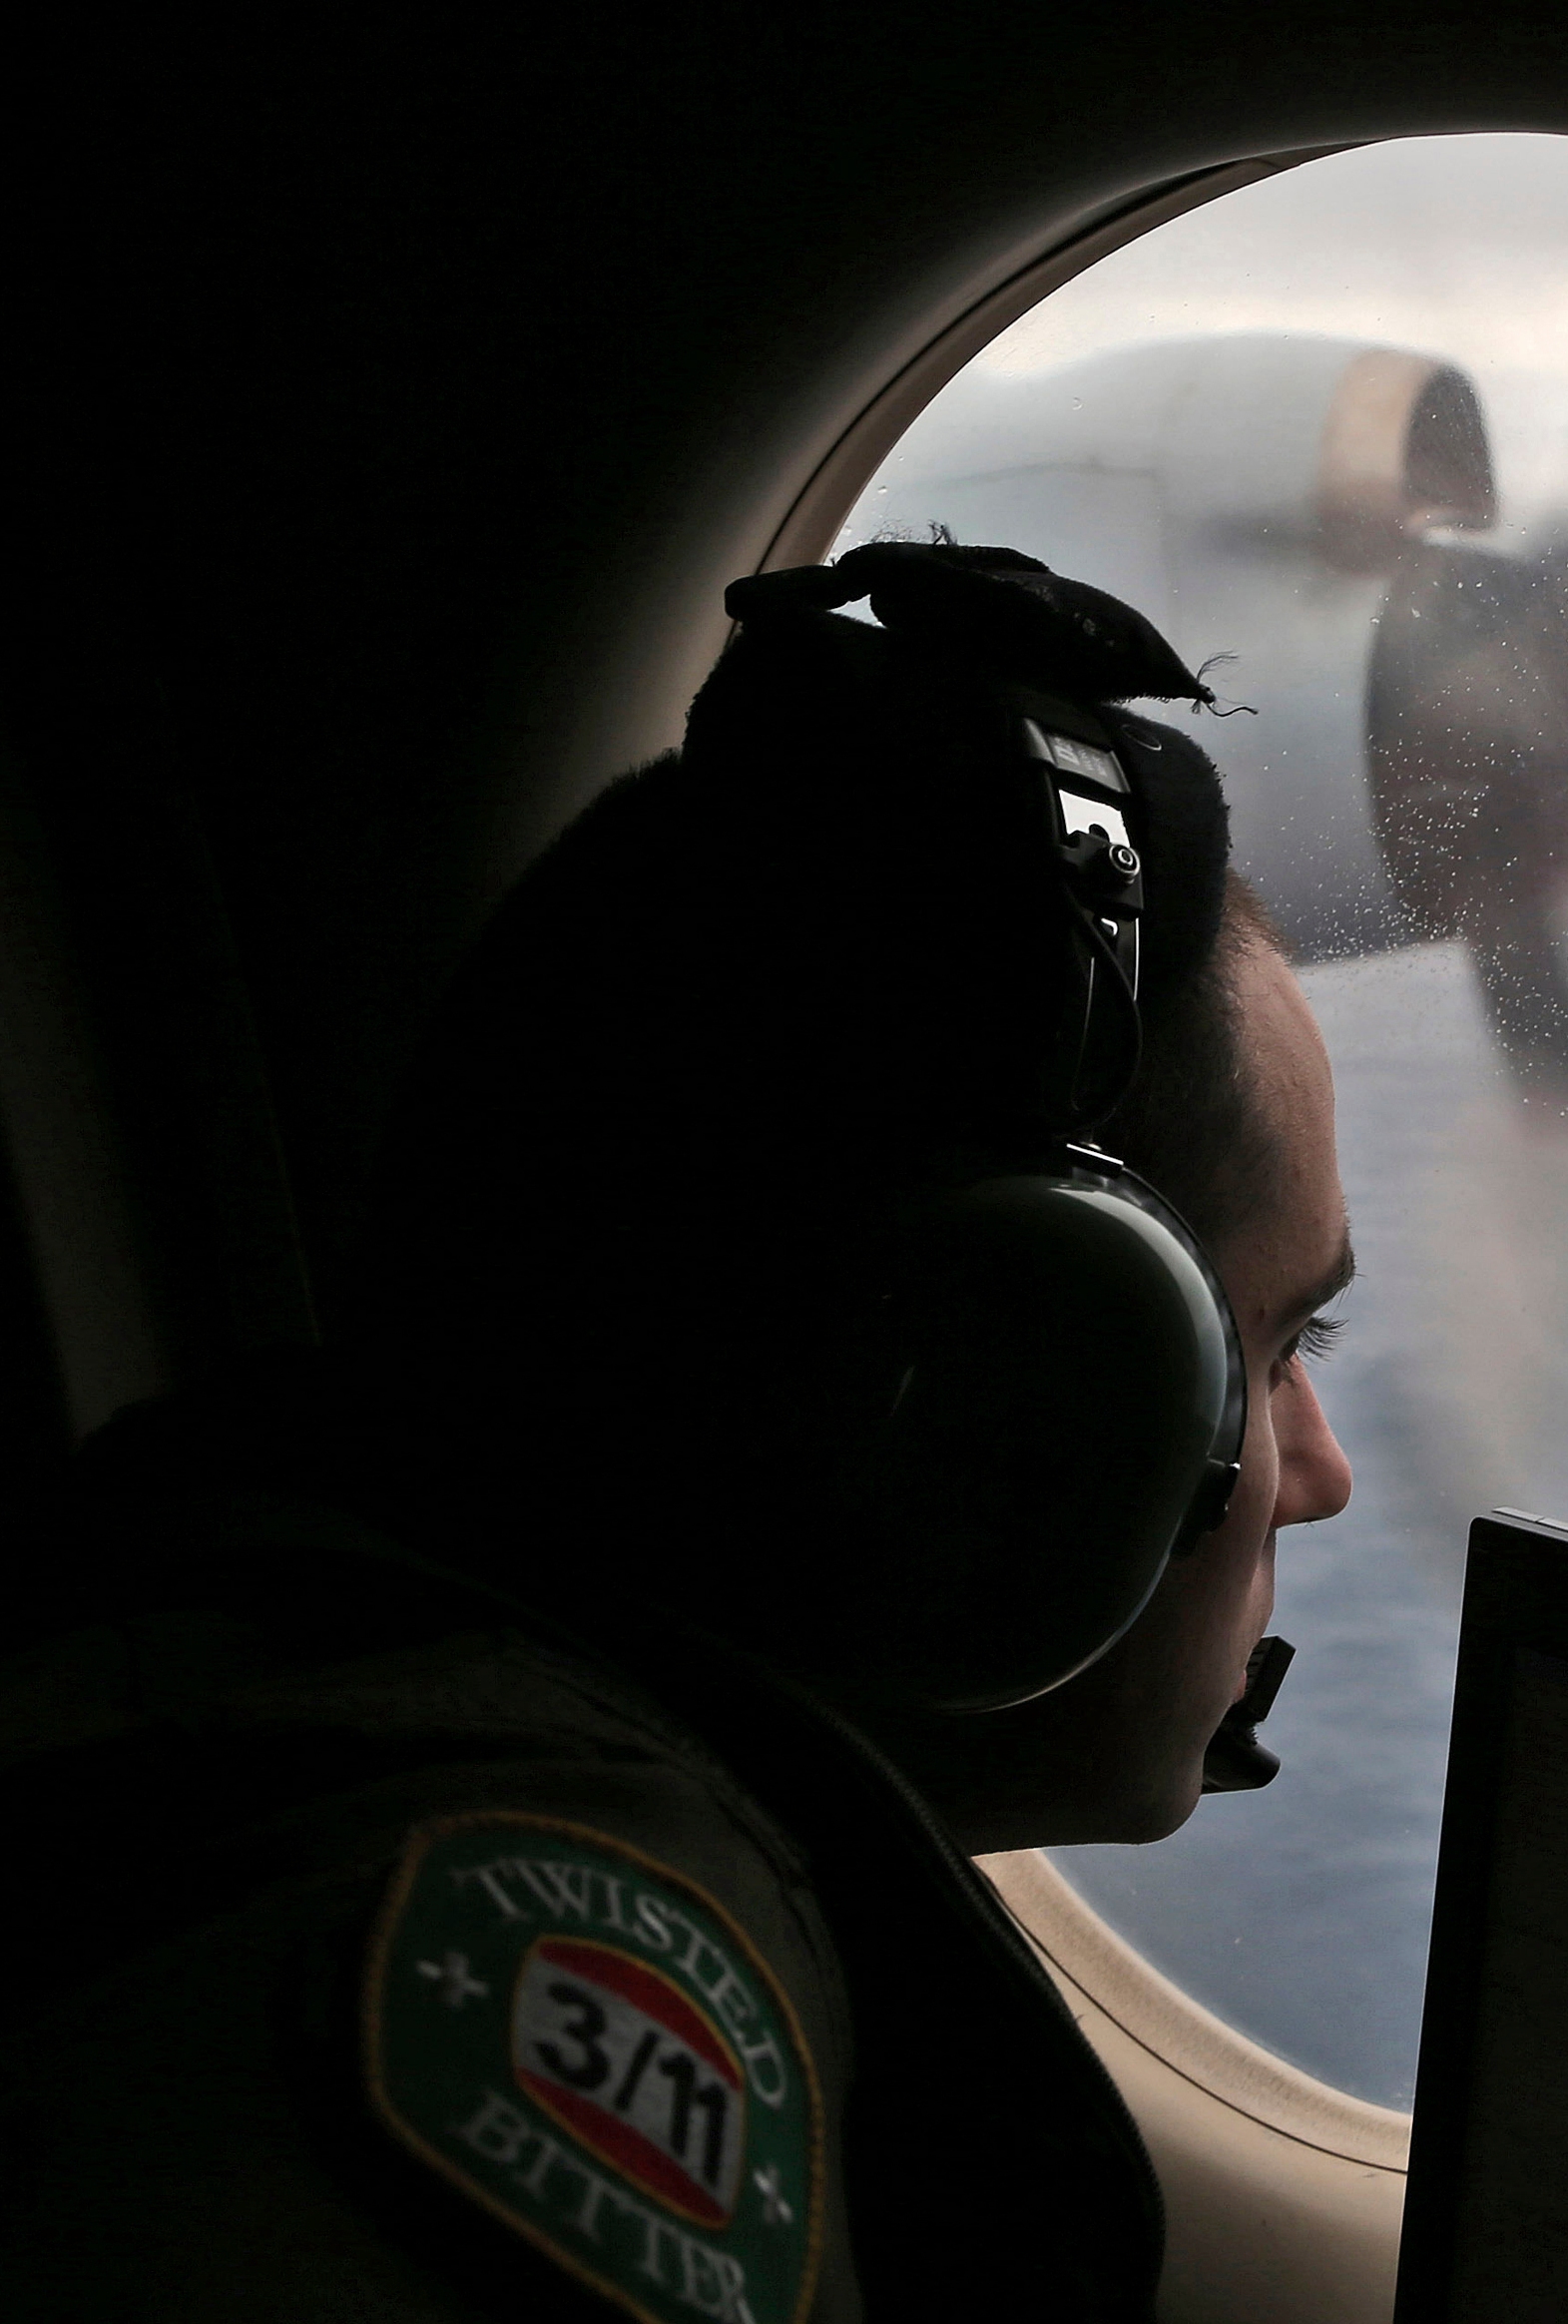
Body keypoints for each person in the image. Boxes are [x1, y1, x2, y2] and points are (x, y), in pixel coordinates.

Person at [0, 542, 1353, 2322]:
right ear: (1010, 1409)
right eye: (1270, 1350)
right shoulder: (555, 1991)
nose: (1316, 1472)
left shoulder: (272, 1644)